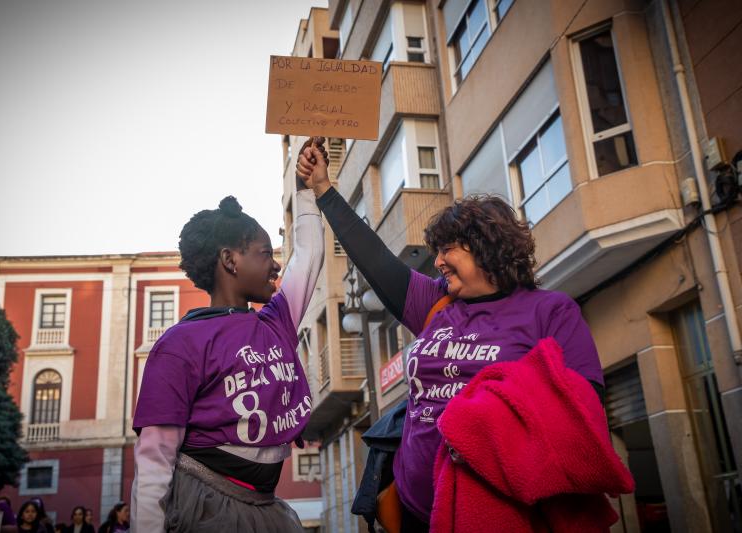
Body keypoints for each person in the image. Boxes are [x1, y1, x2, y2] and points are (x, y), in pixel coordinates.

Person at [296, 143, 605, 531]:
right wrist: (324, 189)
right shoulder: (435, 303)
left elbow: (582, 408)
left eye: (448, 250)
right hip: (415, 512)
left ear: (487, 246)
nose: (438, 261)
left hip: (504, 515)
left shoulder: (550, 312)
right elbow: (374, 258)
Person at [132, 139, 326, 533]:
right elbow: (154, 459)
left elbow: (308, 257)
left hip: (264, 507)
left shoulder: (276, 322)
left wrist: (307, 190)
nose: (275, 265)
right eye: (264, 253)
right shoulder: (179, 345)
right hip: (206, 507)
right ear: (229, 260)